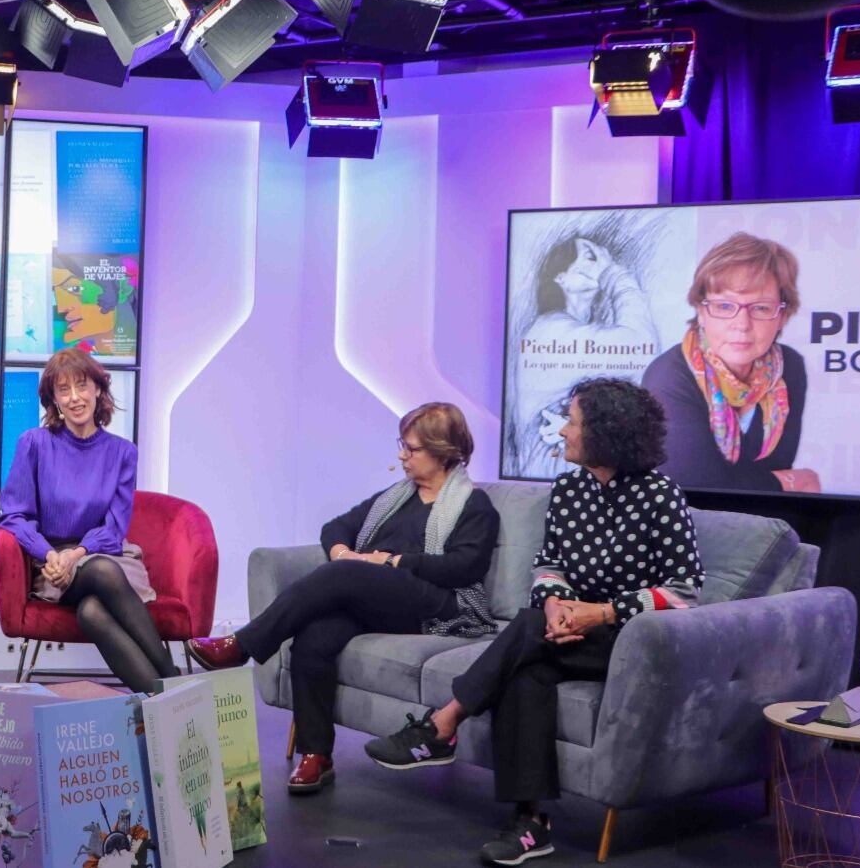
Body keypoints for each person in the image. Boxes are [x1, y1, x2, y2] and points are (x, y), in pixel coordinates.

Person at [365, 378, 703, 866]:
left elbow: (686, 590)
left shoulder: (660, 496)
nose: (562, 430)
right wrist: (555, 605)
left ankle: (444, 723)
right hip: (566, 630)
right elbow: (548, 564)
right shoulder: (568, 489)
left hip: (633, 641)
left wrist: (604, 612)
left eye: (573, 421)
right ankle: (531, 823)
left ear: (606, 432)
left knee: (523, 630)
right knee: (527, 670)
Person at [187, 403, 501, 794]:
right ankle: (316, 755)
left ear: (443, 452)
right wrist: (342, 552)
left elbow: (464, 567)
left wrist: (391, 561)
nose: (402, 455)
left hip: (437, 606)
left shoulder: (474, 506)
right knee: (314, 637)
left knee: (349, 573)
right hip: (379, 600)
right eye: (401, 445)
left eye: (412, 448)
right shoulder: (396, 497)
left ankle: (244, 646)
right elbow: (336, 527)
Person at [0, 347, 176, 693]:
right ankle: (181, 692)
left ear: (98, 389)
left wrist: (77, 553)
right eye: (64, 390)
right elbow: (13, 515)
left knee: (92, 611)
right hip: (53, 567)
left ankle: (163, 698)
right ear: (54, 400)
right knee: (97, 575)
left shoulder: (123, 452)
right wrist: (50, 555)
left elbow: (115, 529)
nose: (75, 398)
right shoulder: (34, 444)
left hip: (108, 556)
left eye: (82, 386)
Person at [642, 232, 815, 493]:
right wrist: (788, 482)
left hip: (765, 524)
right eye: (724, 306)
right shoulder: (668, 377)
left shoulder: (789, 367)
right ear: (701, 311)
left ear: (782, 316)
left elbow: (779, 466)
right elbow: (693, 488)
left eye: (760, 308)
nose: (742, 325)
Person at [505, 215, 663, 479]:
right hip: (551, 476)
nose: (603, 263)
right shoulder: (550, 329)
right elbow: (641, 342)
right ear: (561, 276)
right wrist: (615, 275)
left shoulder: (570, 327)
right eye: (590, 257)